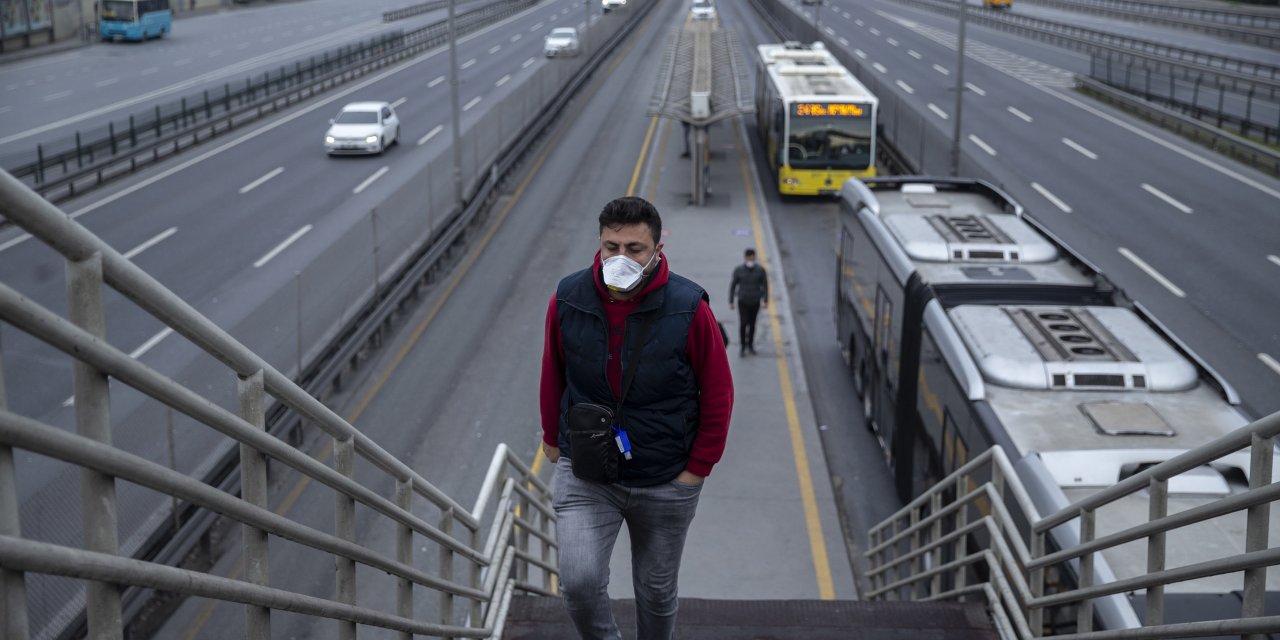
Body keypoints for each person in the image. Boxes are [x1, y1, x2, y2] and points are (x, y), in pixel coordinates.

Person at [540, 196, 734, 640]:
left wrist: (697, 469)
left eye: (634, 248)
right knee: (580, 583)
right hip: (587, 471)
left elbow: (718, 390)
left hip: (666, 478)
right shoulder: (568, 299)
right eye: (612, 247)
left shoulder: (689, 307)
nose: (621, 258)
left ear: (657, 251)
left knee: (657, 590)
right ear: (600, 244)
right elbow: (554, 370)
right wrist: (552, 436)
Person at [728, 248, 768, 356]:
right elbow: (733, 285)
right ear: (745, 258)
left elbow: (765, 286)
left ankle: (750, 345)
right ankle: (742, 346)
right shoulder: (738, 270)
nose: (751, 259)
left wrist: (765, 300)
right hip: (743, 301)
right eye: (749, 257)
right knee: (743, 323)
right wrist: (731, 301)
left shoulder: (760, 270)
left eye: (753, 257)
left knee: (752, 324)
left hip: (755, 301)